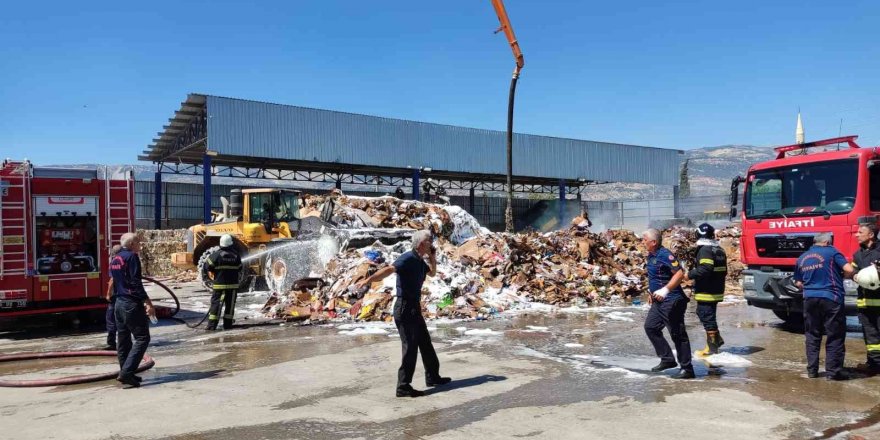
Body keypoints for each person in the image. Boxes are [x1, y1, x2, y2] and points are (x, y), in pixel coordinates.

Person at [356, 230, 451, 397]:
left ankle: (433, 377)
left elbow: (432, 273)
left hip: (414, 308)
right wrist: (368, 280)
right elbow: (390, 269)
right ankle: (403, 386)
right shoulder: (407, 258)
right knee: (410, 347)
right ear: (421, 244)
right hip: (405, 308)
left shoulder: (419, 260)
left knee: (425, 343)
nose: (432, 243)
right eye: (430, 241)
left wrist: (432, 258)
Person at [794, 232, 854, 380]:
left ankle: (812, 371)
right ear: (828, 242)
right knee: (835, 335)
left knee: (812, 335)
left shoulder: (802, 257)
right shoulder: (832, 252)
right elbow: (849, 269)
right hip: (831, 298)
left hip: (809, 299)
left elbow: (798, 283)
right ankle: (833, 373)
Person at [642, 228, 694, 379]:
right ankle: (667, 359)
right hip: (658, 300)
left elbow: (679, 274)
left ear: (653, 242)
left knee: (677, 333)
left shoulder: (665, 255)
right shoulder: (651, 255)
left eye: (645, 239)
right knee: (651, 327)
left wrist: (665, 290)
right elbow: (655, 276)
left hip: (672, 300)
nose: (642, 242)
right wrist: (651, 292)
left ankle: (687, 369)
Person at [110, 232, 155, 389]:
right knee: (142, 338)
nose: (140, 246)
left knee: (123, 340)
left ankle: (126, 372)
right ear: (131, 244)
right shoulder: (131, 257)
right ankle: (127, 373)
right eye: (138, 243)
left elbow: (115, 281)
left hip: (119, 303)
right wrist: (147, 302)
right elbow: (136, 282)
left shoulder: (115, 258)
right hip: (130, 304)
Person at [686, 223, 727, 356]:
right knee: (705, 314)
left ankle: (712, 347)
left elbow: (705, 268)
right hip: (716, 288)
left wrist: (689, 275)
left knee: (706, 316)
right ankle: (717, 339)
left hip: (707, 290)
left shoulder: (705, 250)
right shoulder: (718, 249)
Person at [850, 223, 880, 374]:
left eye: (860, 232)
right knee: (871, 337)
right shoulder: (858, 254)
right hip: (865, 304)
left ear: (871, 235)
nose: (856, 234)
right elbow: (853, 271)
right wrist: (855, 275)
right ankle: (874, 364)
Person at [205, 234, 243, 331]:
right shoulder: (236, 256)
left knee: (216, 304)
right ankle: (228, 324)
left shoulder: (216, 255)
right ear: (231, 244)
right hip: (233, 285)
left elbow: (207, 266)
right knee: (230, 305)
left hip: (219, 285)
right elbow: (240, 268)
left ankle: (212, 325)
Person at [103, 244, 122, 351]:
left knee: (111, 318)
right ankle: (123, 342)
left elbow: (112, 279)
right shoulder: (129, 259)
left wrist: (108, 293)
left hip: (116, 295)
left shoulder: (114, 262)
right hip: (125, 295)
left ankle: (111, 343)